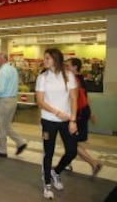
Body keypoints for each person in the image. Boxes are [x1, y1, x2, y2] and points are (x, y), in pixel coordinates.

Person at [35, 48, 78, 199]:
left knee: (72, 150)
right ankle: (47, 184)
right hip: (48, 121)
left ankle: (56, 172)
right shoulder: (43, 77)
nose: (44, 60)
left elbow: (73, 98)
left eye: (47, 58)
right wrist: (57, 112)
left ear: (55, 59)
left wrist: (73, 119)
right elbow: (40, 101)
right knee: (48, 152)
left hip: (66, 121)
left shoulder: (68, 76)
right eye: (45, 58)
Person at [65, 58, 102, 176]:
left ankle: (94, 164)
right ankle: (67, 164)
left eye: (68, 65)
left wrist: (72, 118)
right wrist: (90, 113)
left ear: (75, 67)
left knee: (72, 142)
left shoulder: (74, 80)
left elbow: (74, 99)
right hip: (83, 112)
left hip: (78, 114)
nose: (66, 67)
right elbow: (86, 97)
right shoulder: (81, 78)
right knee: (71, 141)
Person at [0, 52, 27, 157]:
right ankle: (20, 142)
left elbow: (0, 89)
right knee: (6, 125)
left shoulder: (3, 71)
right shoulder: (13, 69)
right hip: (13, 100)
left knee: (1, 126)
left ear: (2, 59)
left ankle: (2, 150)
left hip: (4, 101)